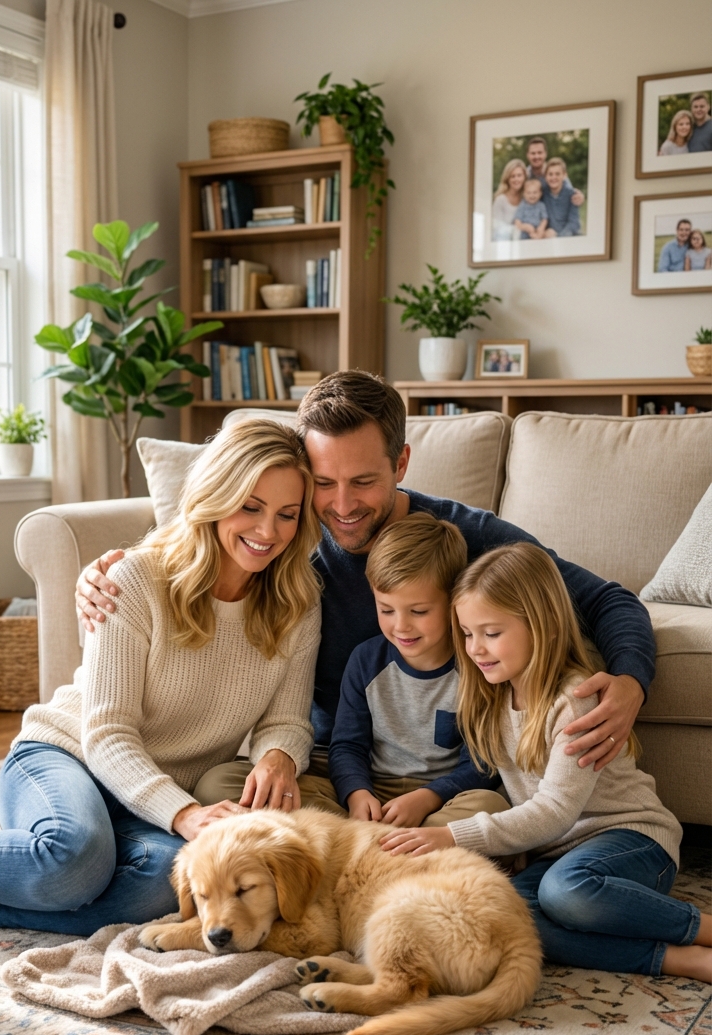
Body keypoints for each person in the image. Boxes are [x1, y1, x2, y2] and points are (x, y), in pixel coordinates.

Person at [79, 372, 657, 796]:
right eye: (323, 483)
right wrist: (107, 574)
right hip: (332, 760)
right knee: (219, 790)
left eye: (364, 481)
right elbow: (202, 550)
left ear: (401, 463)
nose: (342, 505)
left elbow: (606, 599)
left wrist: (631, 680)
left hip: (446, 770)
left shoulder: (463, 539)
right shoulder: (284, 544)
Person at [0, 419, 333, 932]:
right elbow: (107, 734)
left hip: (149, 796)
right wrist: (184, 816)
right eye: (251, 506)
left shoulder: (298, 601)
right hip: (66, 756)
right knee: (75, 857)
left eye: (287, 515)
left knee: (168, 882)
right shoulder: (135, 579)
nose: (268, 532)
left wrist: (278, 756)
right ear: (215, 496)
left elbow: (288, 719)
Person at [377, 542, 711, 985]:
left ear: (544, 627)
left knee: (566, 892)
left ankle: (701, 929)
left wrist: (452, 835)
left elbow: (554, 810)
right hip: (560, 851)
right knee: (510, 918)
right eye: (468, 633)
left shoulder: (573, 700)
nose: (476, 649)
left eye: (491, 633)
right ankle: (678, 959)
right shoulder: (491, 695)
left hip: (632, 839)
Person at [328, 513, 510, 828]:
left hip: (443, 797)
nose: (401, 626)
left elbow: (481, 764)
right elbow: (347, 745)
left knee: (491, 804)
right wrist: (357, 794)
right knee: (274, 789)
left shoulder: (477, 665)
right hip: (374, 786)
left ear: (454, 601)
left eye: (419, 611)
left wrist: (428, 798)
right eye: (386, 610)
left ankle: (386, 844)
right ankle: (386, 842)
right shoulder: (365, 661)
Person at [525, 137, 584, 207]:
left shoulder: (554, 172)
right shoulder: (525, 174)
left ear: (545, 154)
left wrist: (578, 195)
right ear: (528, 155)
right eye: (533, 153)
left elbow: (569, 190)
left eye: (540, 152)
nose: (536, 156)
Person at [542, 158, 581, 237]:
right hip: (549, 236)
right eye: (550, 174)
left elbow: (574, 224)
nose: (553, 177)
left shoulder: (572, 194)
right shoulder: (542, 193)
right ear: (545, 176)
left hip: (568, 237)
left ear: (564, 175)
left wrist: (558, 237)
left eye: (557, 174)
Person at [492, 159, 527, 241]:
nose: (516, 179)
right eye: (513, 176)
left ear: (525, 177)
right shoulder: (500, 200)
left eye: (519, 175)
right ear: (508, 179)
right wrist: (520, 228)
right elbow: (496, 228)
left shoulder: (528, 198)